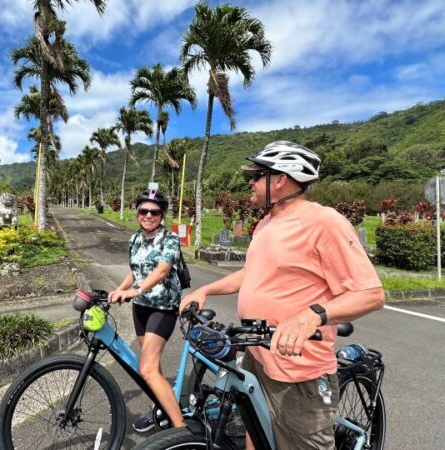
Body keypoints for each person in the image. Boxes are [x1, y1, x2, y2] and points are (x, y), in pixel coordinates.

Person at [179, 141, 385, 449]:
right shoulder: (267, 222)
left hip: (298, 373)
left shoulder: (323, 222)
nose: (250, 180)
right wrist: (206, 289)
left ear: (280, 179)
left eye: (257, 174)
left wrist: (311, 316)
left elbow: (371, 294)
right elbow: (253, 273)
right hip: (258, 356)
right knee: (255, 437)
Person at [109, 189, 186, 433]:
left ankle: (180, 431)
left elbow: (162, 270)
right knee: (151, 365)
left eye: (154, 212)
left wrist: (136, 290)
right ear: (137, 214)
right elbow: (135, 270)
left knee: (148, 369)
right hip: (141, 309)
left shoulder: (170, 239)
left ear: (161, 215)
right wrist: (118, 290)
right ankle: (159, 409)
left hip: (163, 308)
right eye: (144, 211)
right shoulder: (134, 239)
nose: (149, 215)